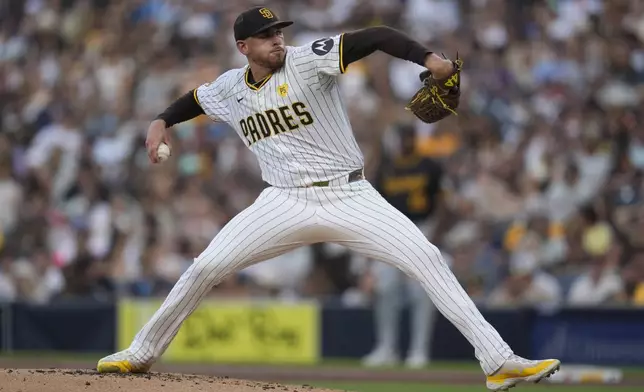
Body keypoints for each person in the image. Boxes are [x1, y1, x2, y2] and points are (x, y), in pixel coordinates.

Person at [97, 6, 560, 391]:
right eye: (265, 36)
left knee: (427, 257)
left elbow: (375, 35)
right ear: (244, 48)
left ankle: (498, 361)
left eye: (278, 31)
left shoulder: (306, 60)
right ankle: (141, 352)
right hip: (281, 202)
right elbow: (190, 103)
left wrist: (430, 59)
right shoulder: (229, 88)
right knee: (205, 268)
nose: (277, 40)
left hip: (349, 193)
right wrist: (159, 124)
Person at [362, 124, 443, 368]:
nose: (406, 142)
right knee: (386, 289)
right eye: (403, 137)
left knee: (422, 292)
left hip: (422, 228)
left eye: (409, 137)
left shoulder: (429, 166)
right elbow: (375, 206)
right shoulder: (387, 167)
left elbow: (441, 204)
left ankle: (418, 351)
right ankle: (387, 347)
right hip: (391, 231)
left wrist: (434, 236)